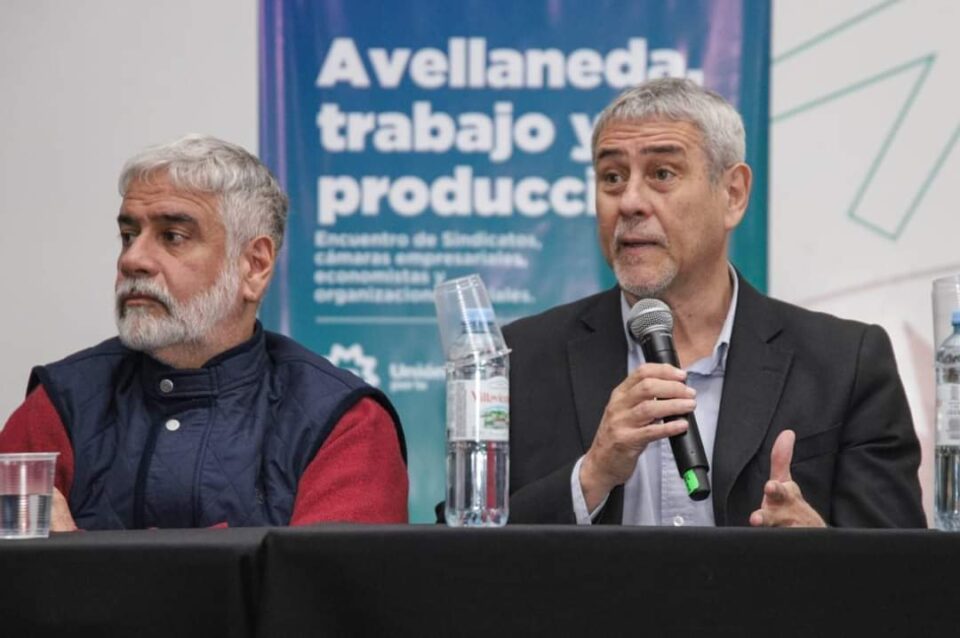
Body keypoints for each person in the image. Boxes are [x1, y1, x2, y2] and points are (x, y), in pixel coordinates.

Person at [505, 78, 924, 527]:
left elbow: (900, 562)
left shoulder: (845, 364)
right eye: (612, 177)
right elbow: (469, 542)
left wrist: (818, 548)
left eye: (662, 174)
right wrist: (591, 477)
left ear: (733, 194)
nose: (629, 202)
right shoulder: (521, 360)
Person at [0, 135, 408, 530]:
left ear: (254, 265)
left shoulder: (343, 422)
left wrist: (69, 555)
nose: (132, 260)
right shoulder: (63, 403)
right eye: (128, 236)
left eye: (172, 237)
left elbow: (329, 578)